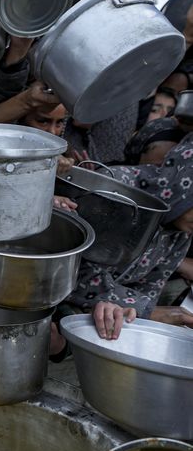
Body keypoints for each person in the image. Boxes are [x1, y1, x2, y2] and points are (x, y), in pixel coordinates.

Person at [63, 137, 193, 337]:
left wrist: (137, 311)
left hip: (101, 316)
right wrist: (146, 310)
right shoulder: (118, 188)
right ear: (185, 185)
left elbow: (150, 289)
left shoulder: (180, 233)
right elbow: (71, 268)